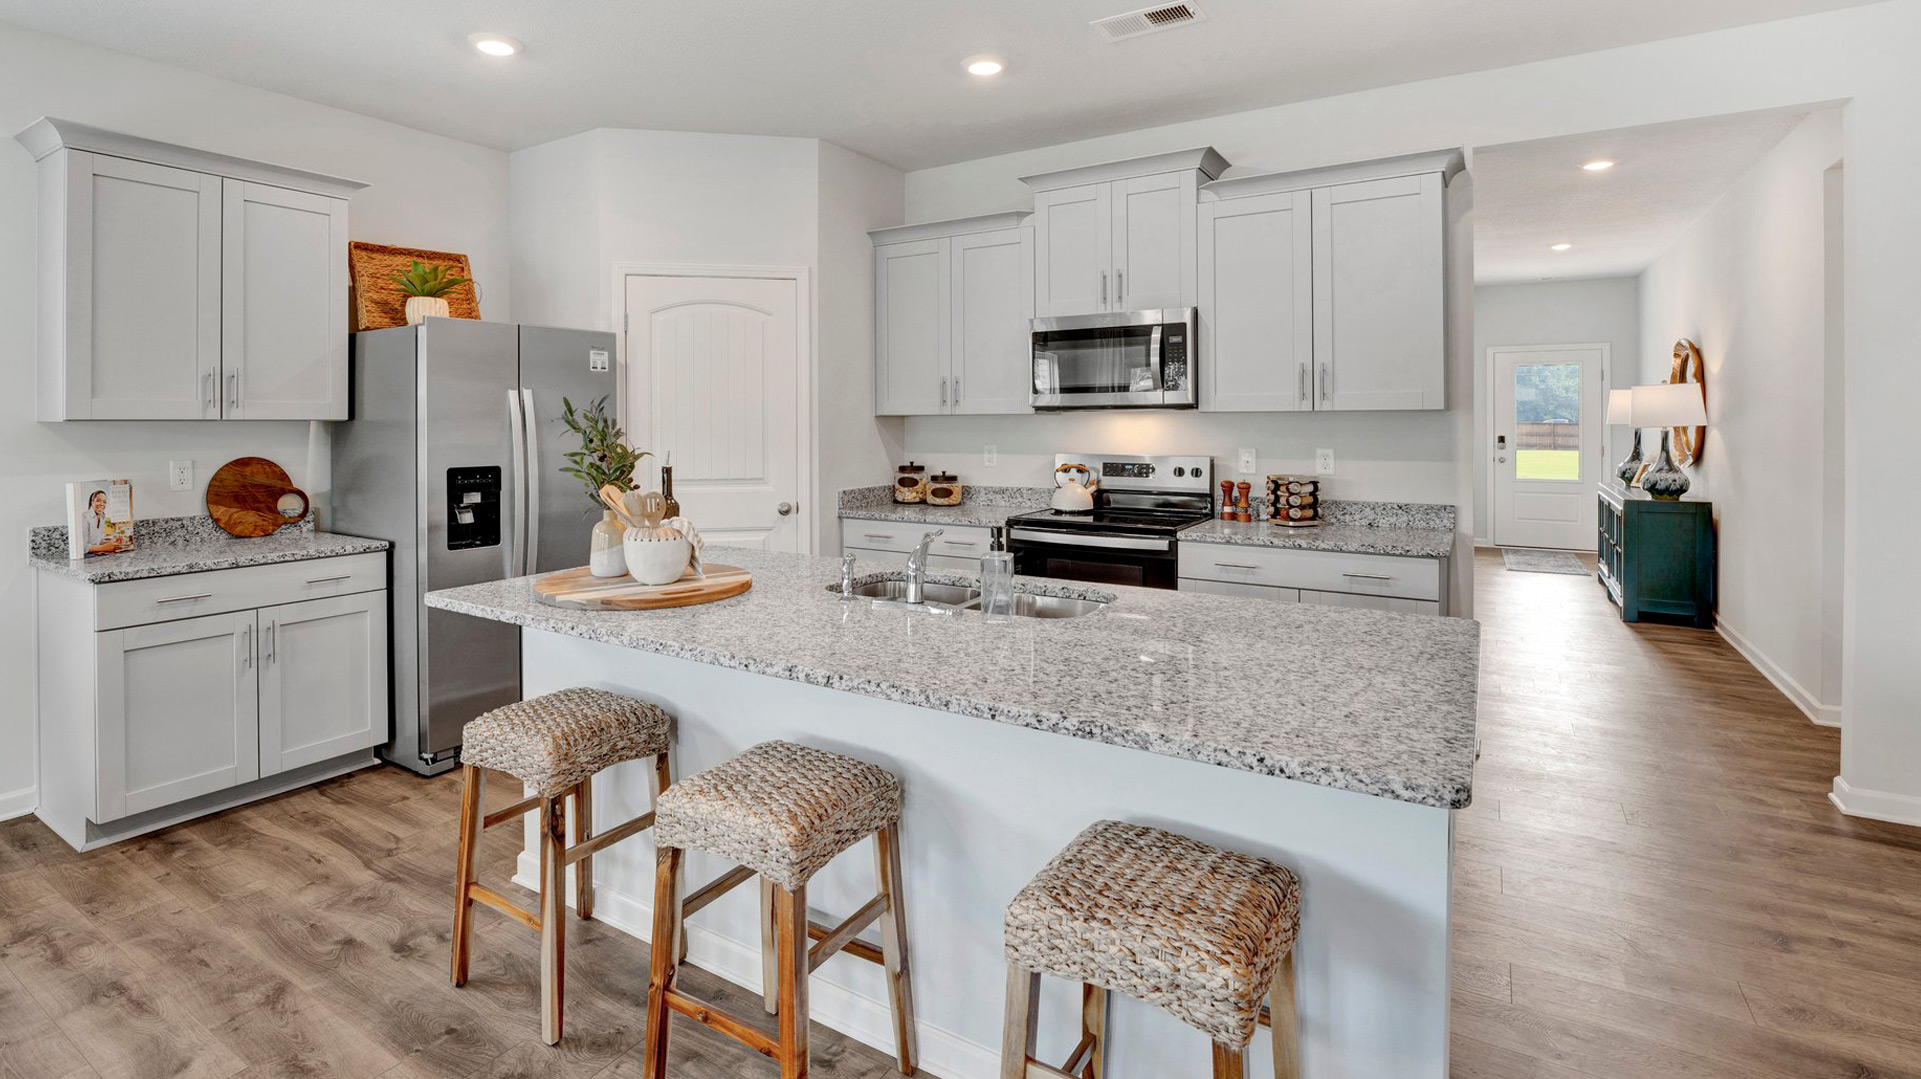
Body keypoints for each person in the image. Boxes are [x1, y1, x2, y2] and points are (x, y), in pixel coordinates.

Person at [83, 489, 129, 556]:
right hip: (87, 556)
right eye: (98, 500)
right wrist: (105, 548)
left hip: (96, 554)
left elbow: (97, 541)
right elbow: (83, 547)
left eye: (104, 502)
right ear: (92, 502)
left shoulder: (102, 516)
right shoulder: (84, 517)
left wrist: (112, 543)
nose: (102, 504)